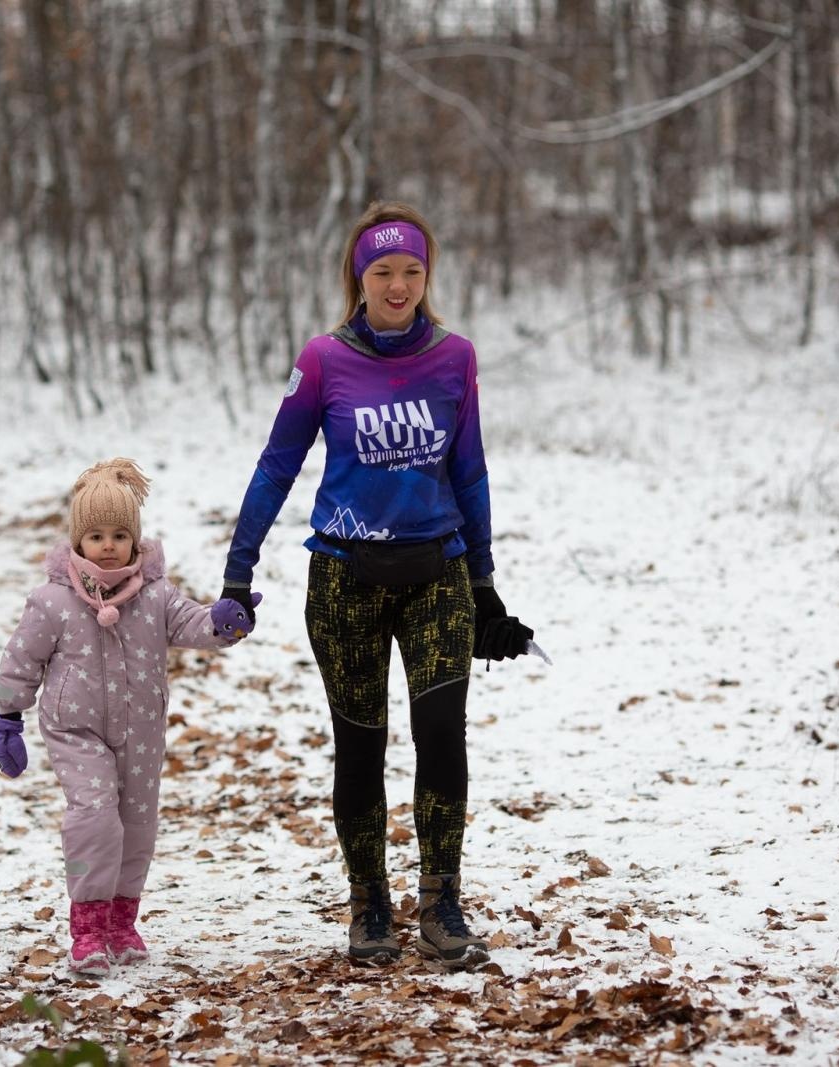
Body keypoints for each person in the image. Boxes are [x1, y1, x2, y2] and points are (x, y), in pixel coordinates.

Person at [219, 202, 533, 970]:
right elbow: (276, 464)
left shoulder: (455, 357)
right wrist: (239, 566)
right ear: (358, 277)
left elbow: (471, 469)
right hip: (345, 581)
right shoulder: (324, 360)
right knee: (360, 750)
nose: (398, 285)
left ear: (428, 276)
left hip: (438, 576)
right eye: (383, 271)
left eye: (412, 271)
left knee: (441, 739)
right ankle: (369, 906)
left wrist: (485, 580)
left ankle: (441, 903)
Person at [0, 458, 260, 975]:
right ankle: (87, 927)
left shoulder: (157, 596)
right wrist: (8, 716)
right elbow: (21, 657)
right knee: (95, 815)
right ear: (77, 541)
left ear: (135, 541)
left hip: (141, 730)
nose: (108, 545)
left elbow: (193, 624)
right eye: (95, 535)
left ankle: (120, 920)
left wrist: (225, 623)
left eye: (119, 534)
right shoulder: (53, 602)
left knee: (136, 824)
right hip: (75, 727)